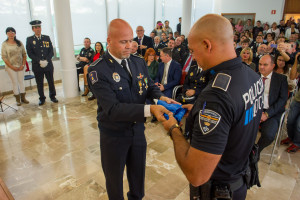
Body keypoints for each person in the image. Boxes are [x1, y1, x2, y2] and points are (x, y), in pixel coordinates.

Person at [162, 14, 263, 200]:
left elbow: (197, 174)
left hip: (218, 189)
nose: (192, 57)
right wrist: (199, 111)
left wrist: (173, 129)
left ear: (207, 45)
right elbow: (236, 117)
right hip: (238, 179)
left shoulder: (217, 95)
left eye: (192, 50)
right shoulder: (252, 76)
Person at [87, 19, 175, 200]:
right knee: (114, 181)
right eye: (123, 42)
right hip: (114, 135)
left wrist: (160, 97)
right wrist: (150, 110)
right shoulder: (98, 71)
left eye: (130, 40)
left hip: (137, 130)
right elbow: (113, 109)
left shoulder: (137, 61)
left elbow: (149, 85)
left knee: (137, 177)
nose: (129, 46)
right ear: (109, 40)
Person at [256, 55, 288, 156]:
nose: (261, 67)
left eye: (265, 65)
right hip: (254, 110)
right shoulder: (253, 76)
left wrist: (267, 114)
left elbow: (282, 100)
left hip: (272, 112)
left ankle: (255, 151)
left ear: (273, 66)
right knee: (238, 129)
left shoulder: (281, 79)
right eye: (260, 64)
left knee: (269, 136)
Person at [26, 20, 58, 105]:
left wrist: (46, 60)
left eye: (39, 27)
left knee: (51, 81)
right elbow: (30, 53)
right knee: (39, 83)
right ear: (33, 29)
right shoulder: (29, 40)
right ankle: (42, 98)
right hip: (37, 65)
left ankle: (53, 96)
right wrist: (39, 61)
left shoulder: (46, 38)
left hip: (48, 64)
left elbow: (51, 51)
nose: (38, 29)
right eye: (36, 27)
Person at [1, 27, 28, 106]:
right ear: (6, 34)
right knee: (15, 82)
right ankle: (17, 99)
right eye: (9, 32)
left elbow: (24, 54)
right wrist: (12, 67)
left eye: (12, 32)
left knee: (21, 82)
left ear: (15, 33)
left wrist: (23, 65)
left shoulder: (19, 42)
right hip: (11, 67)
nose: (11, 34)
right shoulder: (4, 44)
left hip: (21, 66)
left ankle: (23, 98)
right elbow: (4, 57)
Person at [281, 52, 300, 153]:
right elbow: (292, 76)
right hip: (298, 98)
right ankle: (291, 138)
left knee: (299, 124)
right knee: (291, 120)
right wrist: (296, 60)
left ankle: (297, 143)